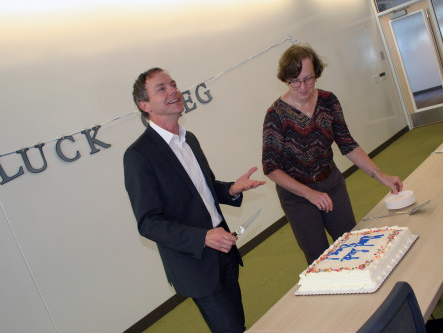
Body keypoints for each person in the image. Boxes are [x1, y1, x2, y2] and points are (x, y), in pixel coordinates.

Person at [124, 67, 265, 333]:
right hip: (195, 263)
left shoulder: (190, 140)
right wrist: (203, 238)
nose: (173, 90)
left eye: (173, 84)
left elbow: (204, 191)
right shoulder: (139, 155)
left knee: (239, 324)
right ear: (144, 105)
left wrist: (231, 189)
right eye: (162, 88)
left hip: (224, 251)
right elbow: (149, 223)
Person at [262, 44, 403, 265]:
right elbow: (271, 167)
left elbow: (347, 144)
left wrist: (381, 175)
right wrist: (309, 194)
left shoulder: (328, 101)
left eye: (308, 79)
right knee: (321, 258)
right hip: (298, 196)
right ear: (286, 79)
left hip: (331, 183)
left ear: (316, 73)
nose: (302, 86)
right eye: (295, 81)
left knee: (352, 243)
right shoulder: (276, 114)